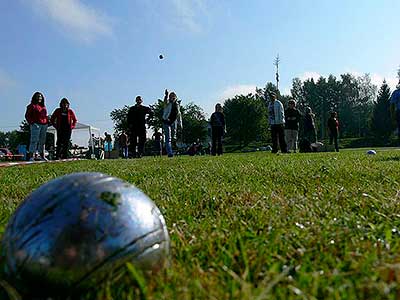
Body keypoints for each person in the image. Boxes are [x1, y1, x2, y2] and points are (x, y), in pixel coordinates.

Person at [25, 91, 49, 161]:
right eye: (38, 97)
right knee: (34, 140)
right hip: (36, 125)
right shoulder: (31, 106)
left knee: (42, 141)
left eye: (41, 97)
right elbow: (27, 116)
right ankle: (31, 156)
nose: (39, 98)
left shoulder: (43, 106)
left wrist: (47, 121)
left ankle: (42, 156)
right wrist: (32, 123)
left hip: (44, 125)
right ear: (35, 97)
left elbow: (44, 116)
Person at [162, 89, 182, 157]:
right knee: (168, 138)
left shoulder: (177, 105)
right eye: (171, 96)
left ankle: (173, 149)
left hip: (174, 122)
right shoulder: (167, 103)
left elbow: (179, 114)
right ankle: (170, 153)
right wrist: (166, 95)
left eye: (174, 96)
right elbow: (164, 102)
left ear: (176, 97)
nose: (172, 97)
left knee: (174, 137)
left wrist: (180, 124)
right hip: (166, 121)